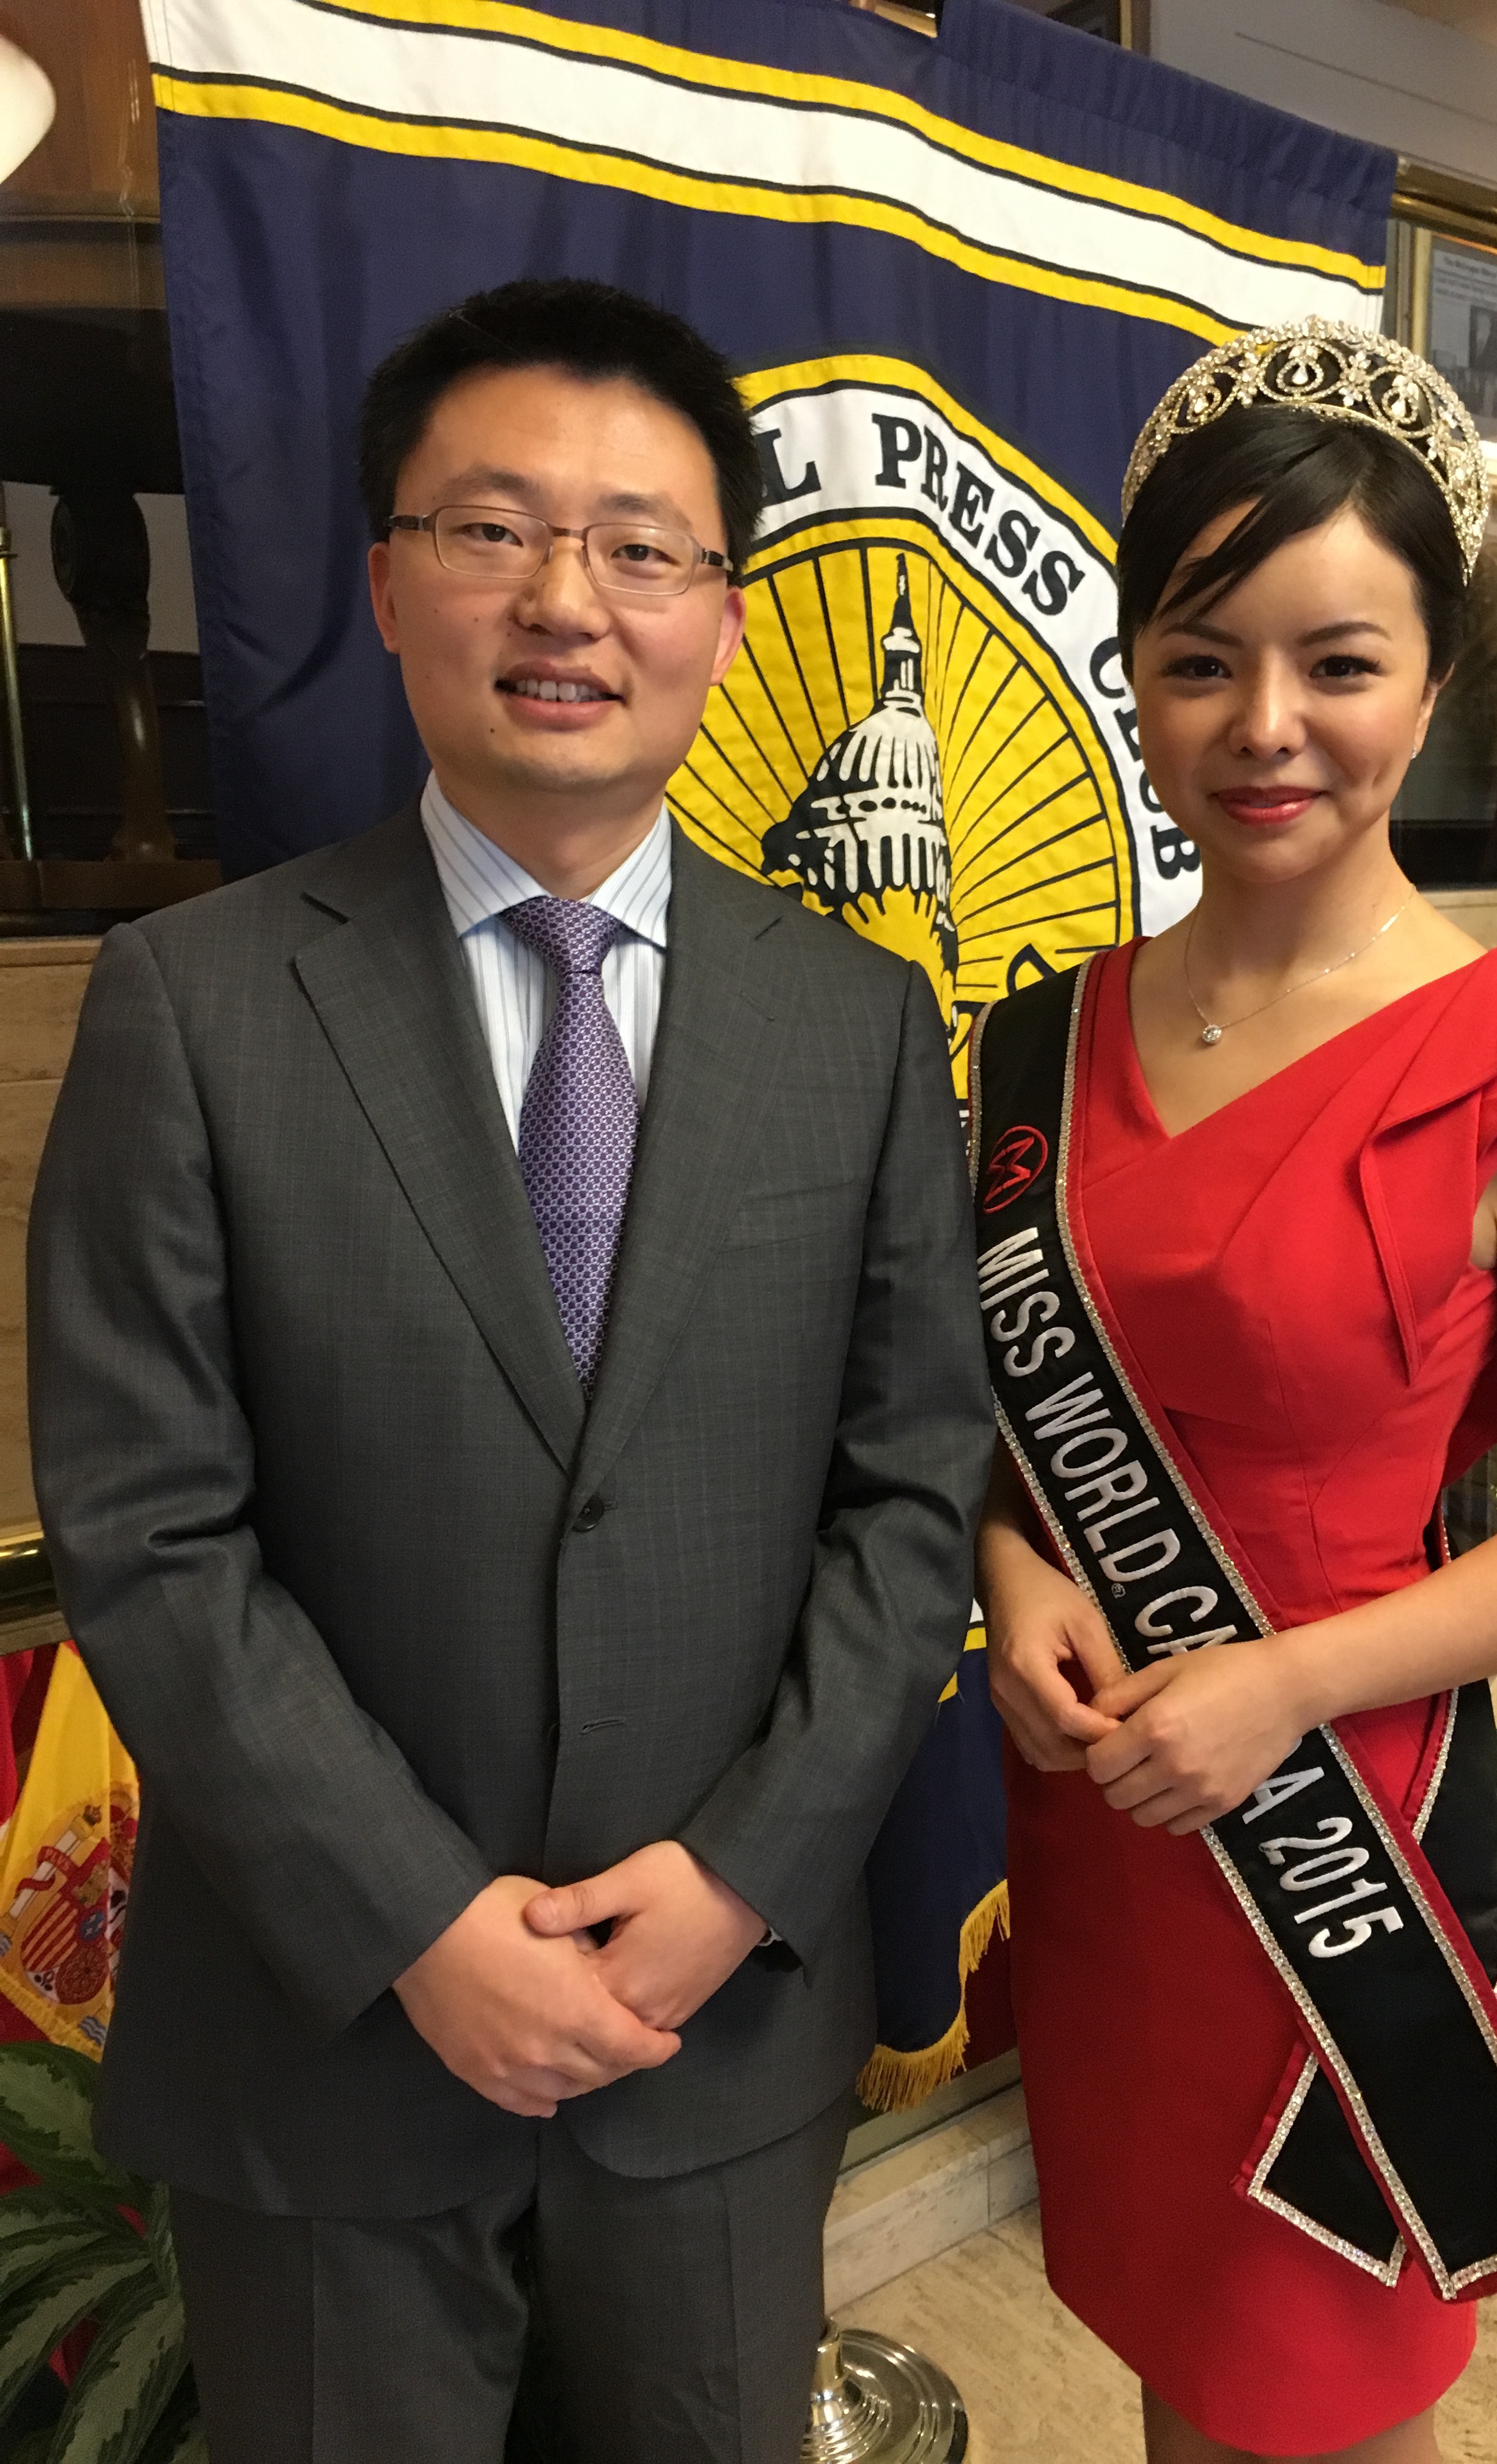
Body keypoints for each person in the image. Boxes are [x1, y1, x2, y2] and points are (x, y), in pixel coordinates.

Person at [28, 277, 993, 2464]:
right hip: (328, 2045)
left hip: (717, 2042)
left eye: (643, 546)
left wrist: (740, 1878)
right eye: (492, 529)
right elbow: (150, 1528)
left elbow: (912, 1484)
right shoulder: (192, 1006)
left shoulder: (852, 1028)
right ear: (385, 580)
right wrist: (423, 1924)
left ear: (724, 618)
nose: (569, 598)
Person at [972, 321, 1497, 2464]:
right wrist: (1013, 1562)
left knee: (1313, 2390)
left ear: (1433, 682)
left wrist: (1284, 1689)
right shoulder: (1042, 1038)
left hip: (1332, 1821)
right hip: (1111, 1819)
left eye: (1338, 663)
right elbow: (1035, 1406)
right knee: (1169, 2353)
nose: (1264, 728)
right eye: (1200, 661)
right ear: (1138, 675)